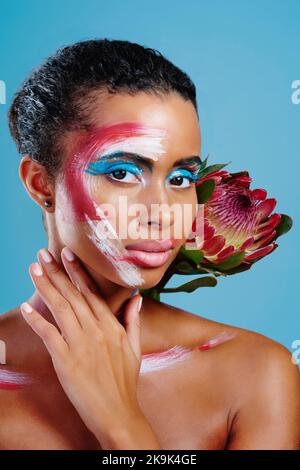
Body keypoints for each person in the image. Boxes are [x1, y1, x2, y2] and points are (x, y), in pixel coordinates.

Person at [0, 38, 299, 450]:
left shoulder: (256, 372)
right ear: (40, 183)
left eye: (180, 179)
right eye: (122, 173)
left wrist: (122, 426)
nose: (162, 212)